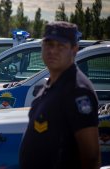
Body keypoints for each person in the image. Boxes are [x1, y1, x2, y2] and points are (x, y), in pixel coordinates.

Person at [19, 21, 100, 169]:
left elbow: (91, 156)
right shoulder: (51, 84)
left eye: (61, 45)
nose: (53, 51)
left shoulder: (78, 90)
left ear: (74, 49)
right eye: (49, 44)